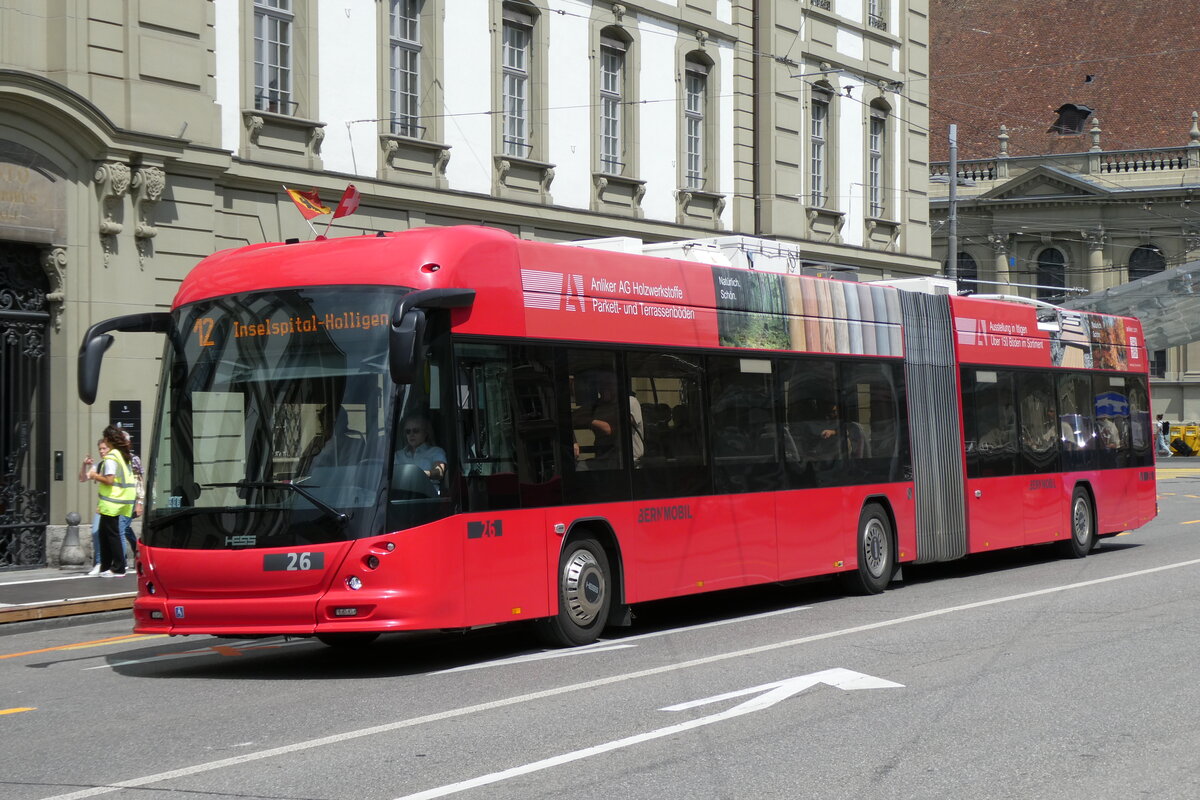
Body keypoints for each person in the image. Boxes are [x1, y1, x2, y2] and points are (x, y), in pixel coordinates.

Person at [85, 425, 137, 577]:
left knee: (112, 534)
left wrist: (94, 476)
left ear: (108, 439)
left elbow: (109, 480)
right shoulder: (122, 455)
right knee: (103, 533)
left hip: (113, 500)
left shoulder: (112, 457)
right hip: (122, 498)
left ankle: (119, 568)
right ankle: (105, 566)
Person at [395, 413, 447, 480]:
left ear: (426, 432)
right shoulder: (398, 455)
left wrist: (419, 474)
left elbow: (439, 472)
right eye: (408, 431)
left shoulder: (436, 451)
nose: (411, 434)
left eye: (416, 431)